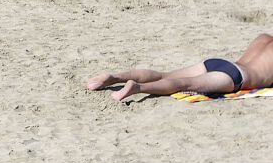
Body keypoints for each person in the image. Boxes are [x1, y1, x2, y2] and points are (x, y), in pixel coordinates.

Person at [87, 34, 273, 102]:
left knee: (163, 74)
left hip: (221, 63)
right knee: (182, 83)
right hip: (236, 77)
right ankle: (137, 88)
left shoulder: (263, 38)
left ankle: (114, 77)